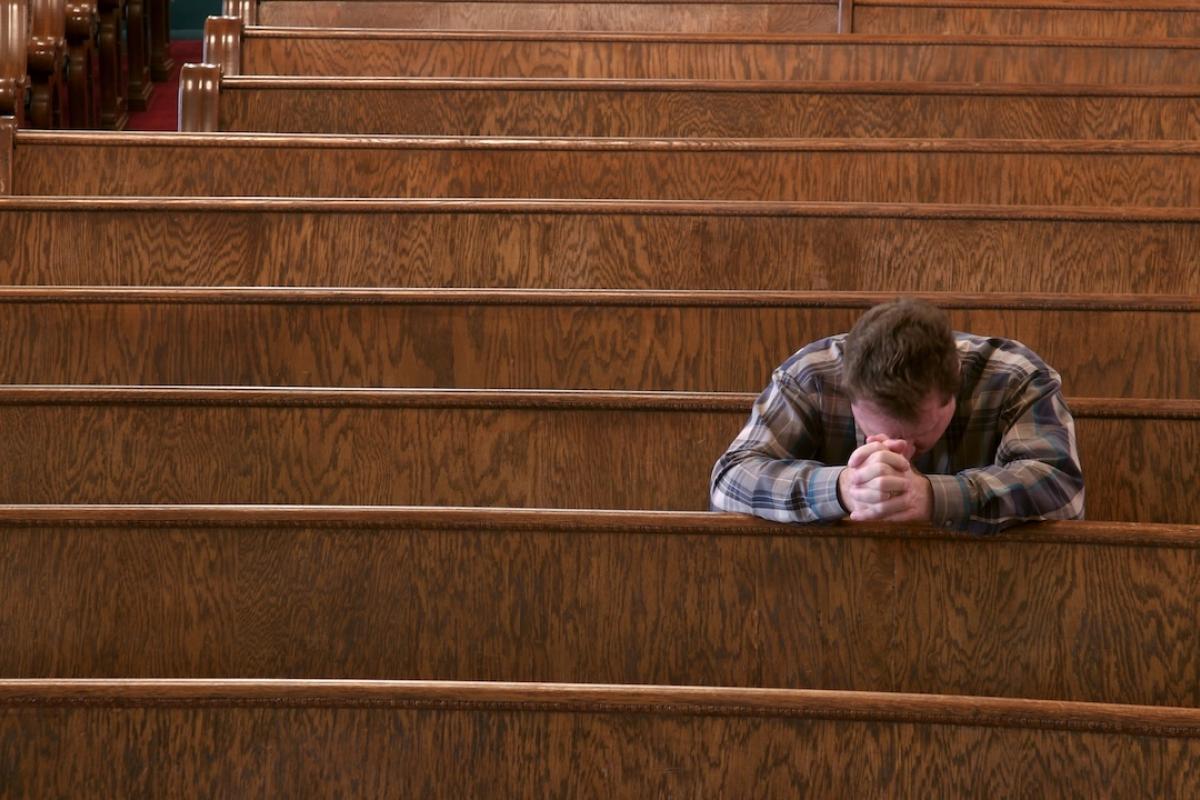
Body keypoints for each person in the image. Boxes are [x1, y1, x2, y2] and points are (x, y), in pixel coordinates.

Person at [709, 298, 1084, 535]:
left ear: (955, 384)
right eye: (873, 431)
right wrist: (841, 488)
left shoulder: (1016, 377)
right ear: (847, 387)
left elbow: (1063, 492)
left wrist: (934, 498)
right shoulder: (812, 374)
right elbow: (728, 484)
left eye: (917, 436)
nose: (897, 452)